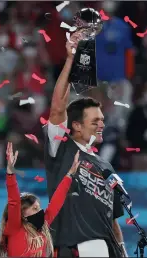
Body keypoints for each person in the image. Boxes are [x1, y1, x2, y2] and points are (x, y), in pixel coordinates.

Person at [45, 32, 127, 257]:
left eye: (102, 119)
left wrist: (122, 252)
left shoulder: (105, 166)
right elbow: (57, 109)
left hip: (104, 251)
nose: (102, 124)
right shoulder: (60, 150)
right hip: (71, 250)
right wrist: (71, 61)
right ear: (77, 126)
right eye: (95, 121)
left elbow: (112, 219)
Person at [0, 142, 80, 257]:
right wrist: (10, 173)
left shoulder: (42, 225)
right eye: (35, 208)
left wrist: (69, 175)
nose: (40, 211)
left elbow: (56, 202)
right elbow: (14, 201)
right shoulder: (14, 227)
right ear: (22, 213)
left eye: (39, 207)